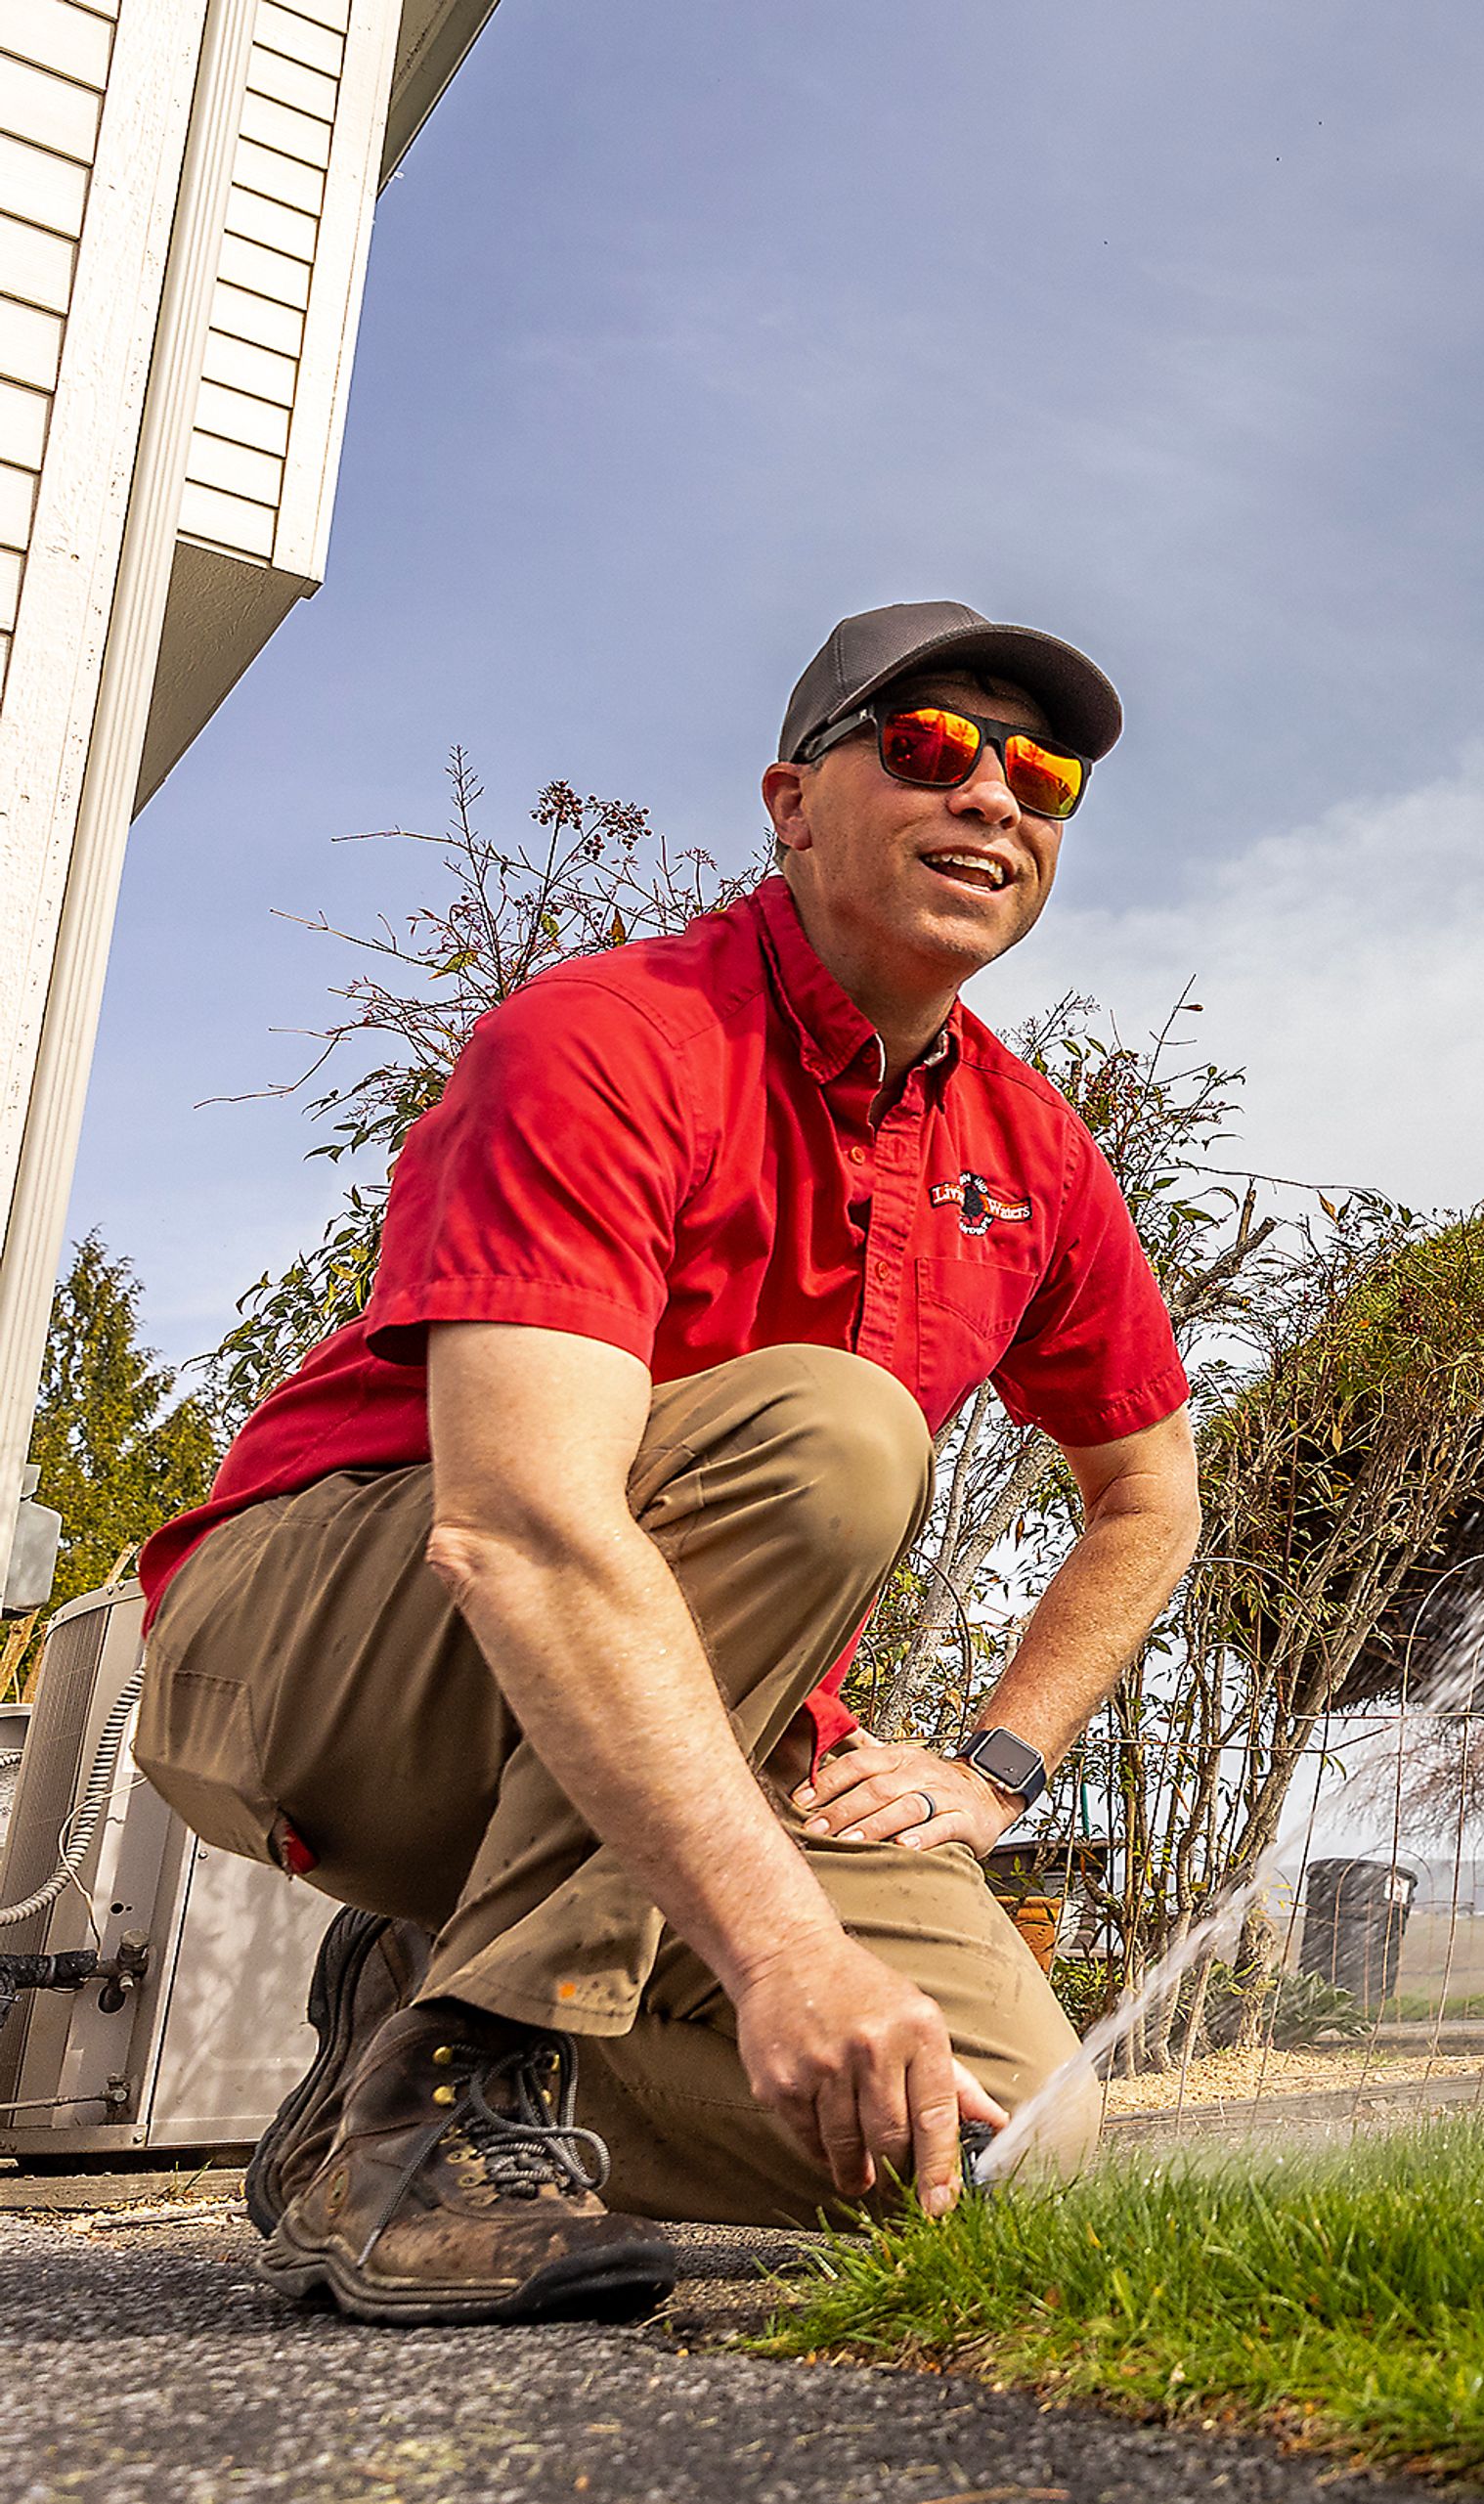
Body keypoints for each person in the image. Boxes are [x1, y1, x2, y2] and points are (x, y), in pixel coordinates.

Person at [130, 602, 1202, 2325]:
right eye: (930, 748)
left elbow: (1149, 1495)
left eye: (1041, 773)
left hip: (673, 1725)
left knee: (1009, 2153)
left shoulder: (1039, 1156)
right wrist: (780, 1951)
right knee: (834, 1439)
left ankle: (402, 2069)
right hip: (315, 1650)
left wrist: (1001, 1763)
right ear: (790, 802)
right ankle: (468, 2072)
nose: (995, 795)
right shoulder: (605, 1037)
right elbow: (524, 1529)